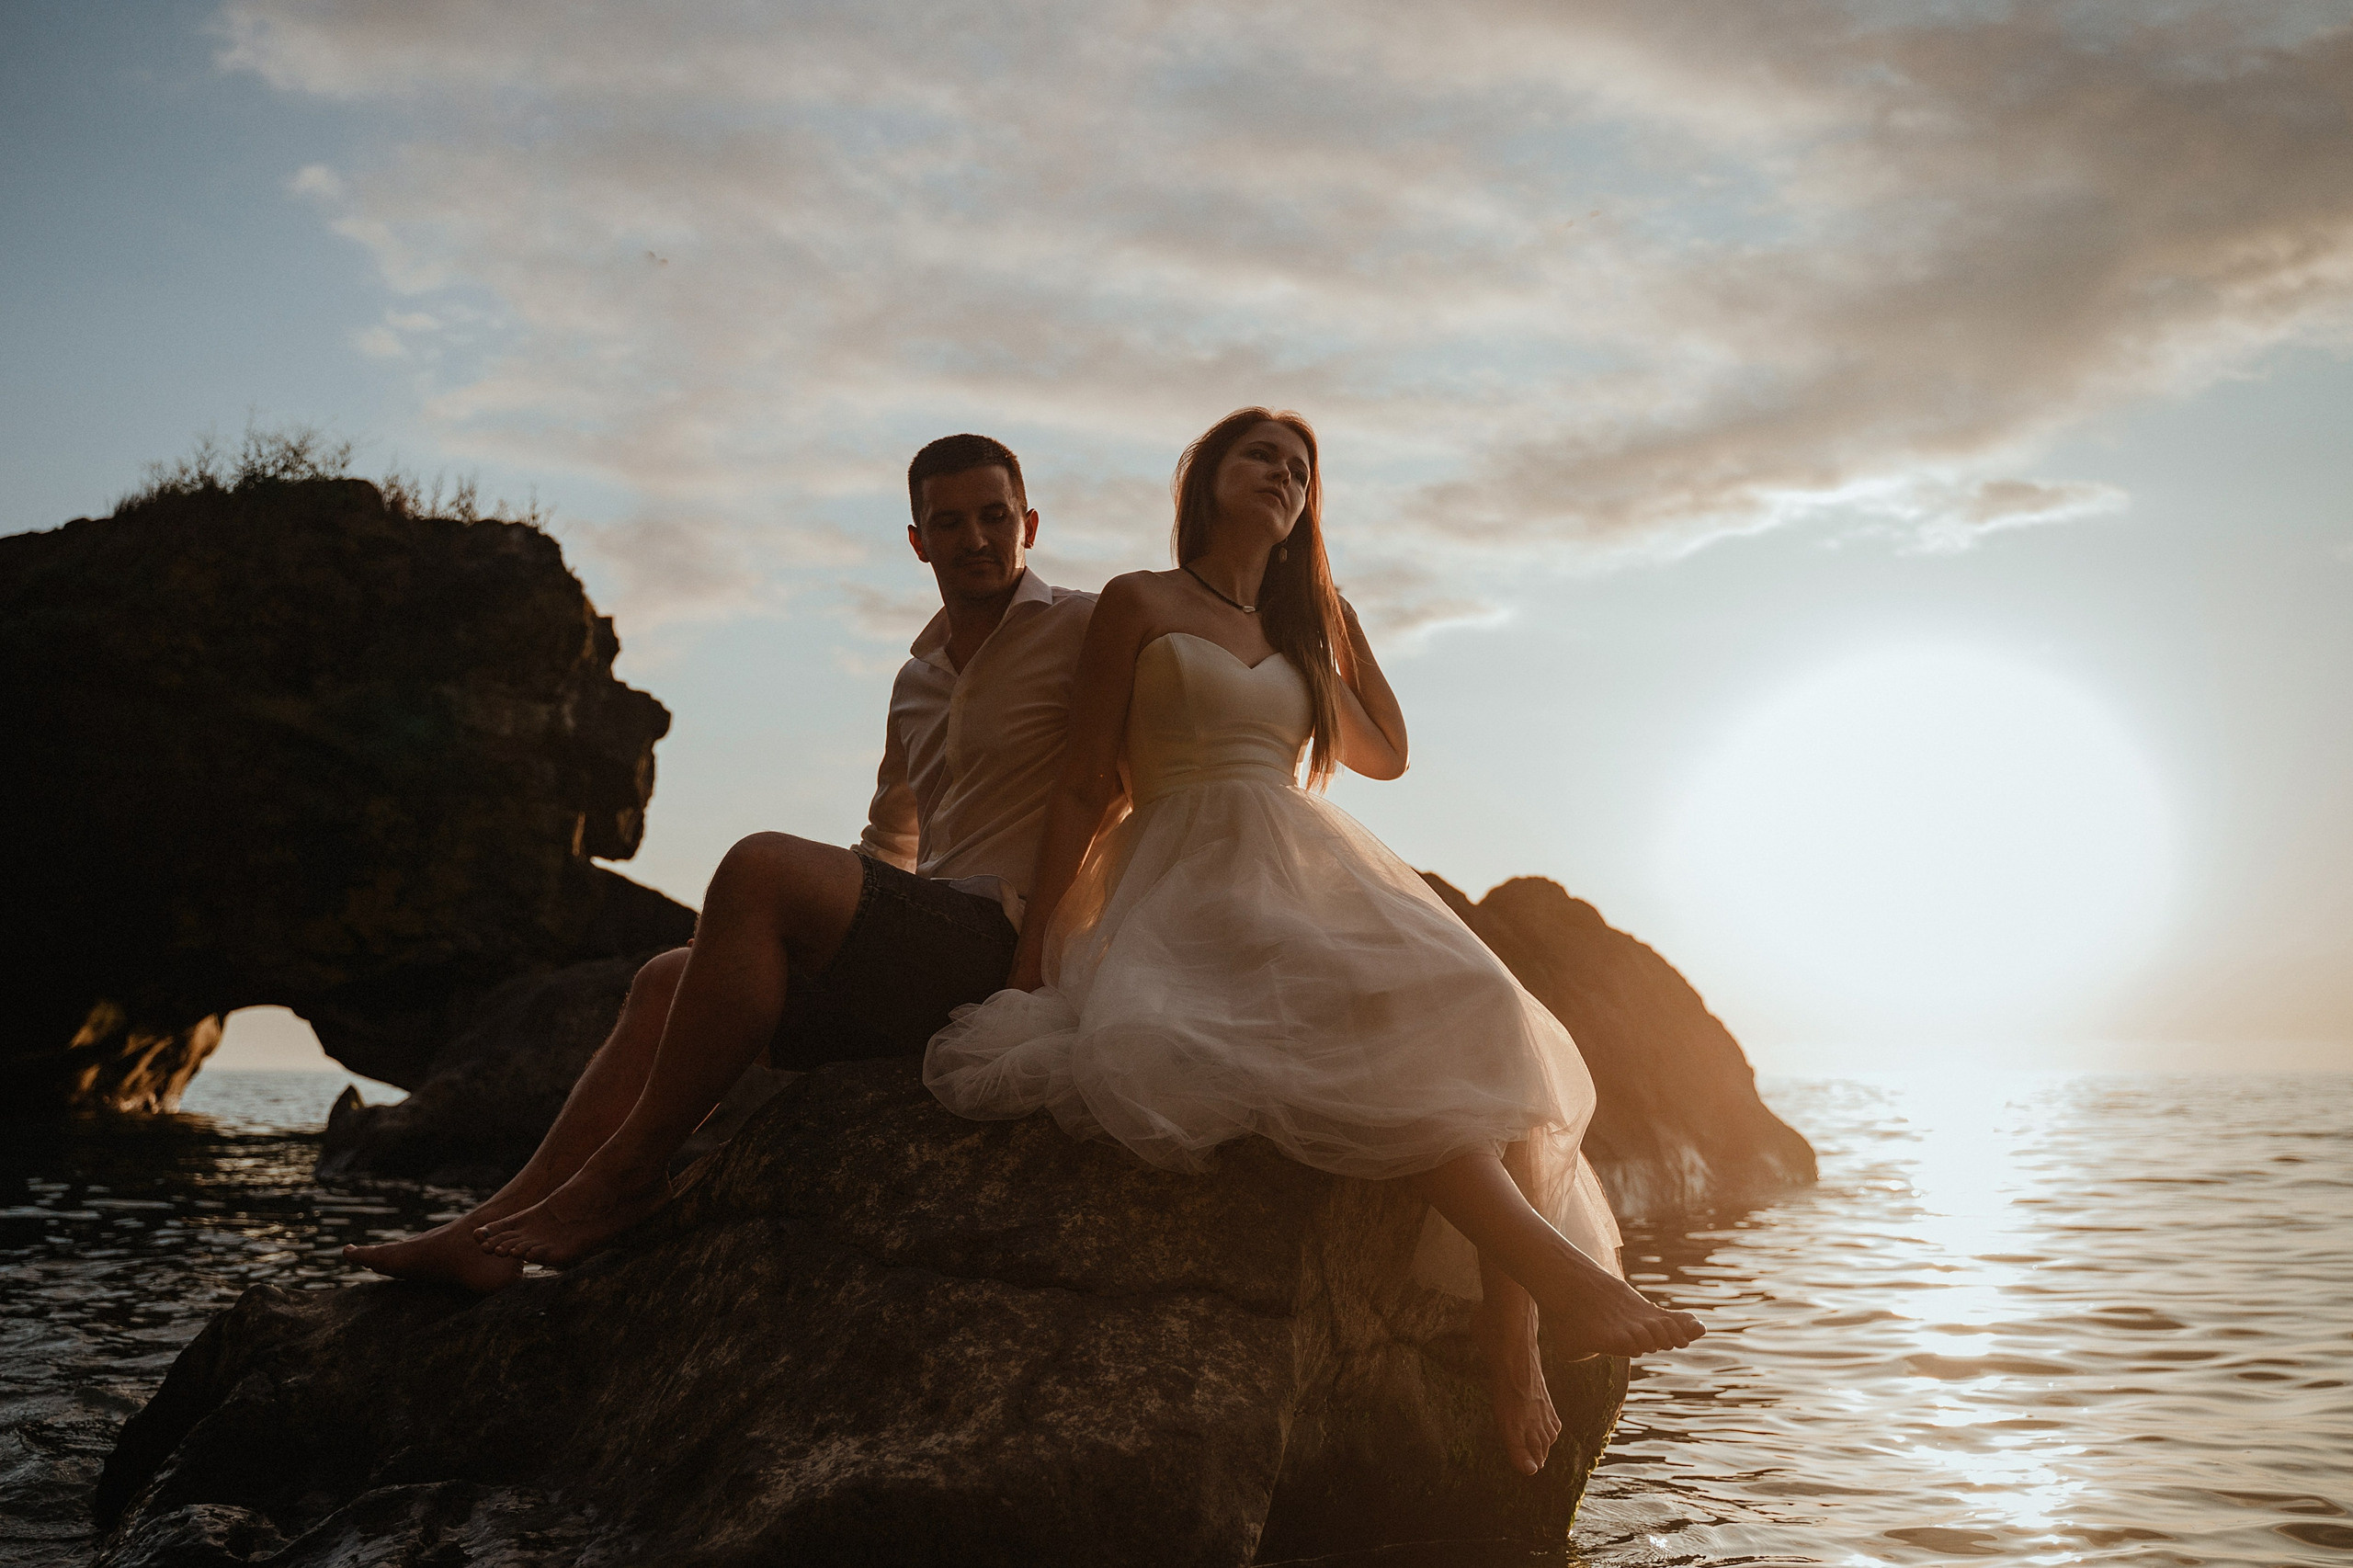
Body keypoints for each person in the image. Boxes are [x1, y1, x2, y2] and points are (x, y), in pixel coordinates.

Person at [924, 408, 1703, 1476]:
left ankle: (1516, 1334)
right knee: (1368, 1031)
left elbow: (1384, 752)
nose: (1283, 476)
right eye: (1262, 457)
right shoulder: (1138, 602)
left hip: (1299, 859)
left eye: (1300, 470)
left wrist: (1338, 619)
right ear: (1207, 476)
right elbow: (1079, 779)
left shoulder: (1297, 635)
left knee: (1482, 1009)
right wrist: (1030, 961)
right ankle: (1561, 1283)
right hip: (1184, 866)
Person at [345, 434, 1094, 1290]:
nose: (976, 540)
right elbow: (891, 844)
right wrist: (804, 928)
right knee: (670, 976)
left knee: (758, 865)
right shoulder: (916, 680)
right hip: (930, 946)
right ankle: (485, 1235)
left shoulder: (1085, 627)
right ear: (917, 540)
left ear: (1028, 523)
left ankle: (621, 1183)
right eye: (949, 522)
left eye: (995, 517)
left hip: (1010, 937)